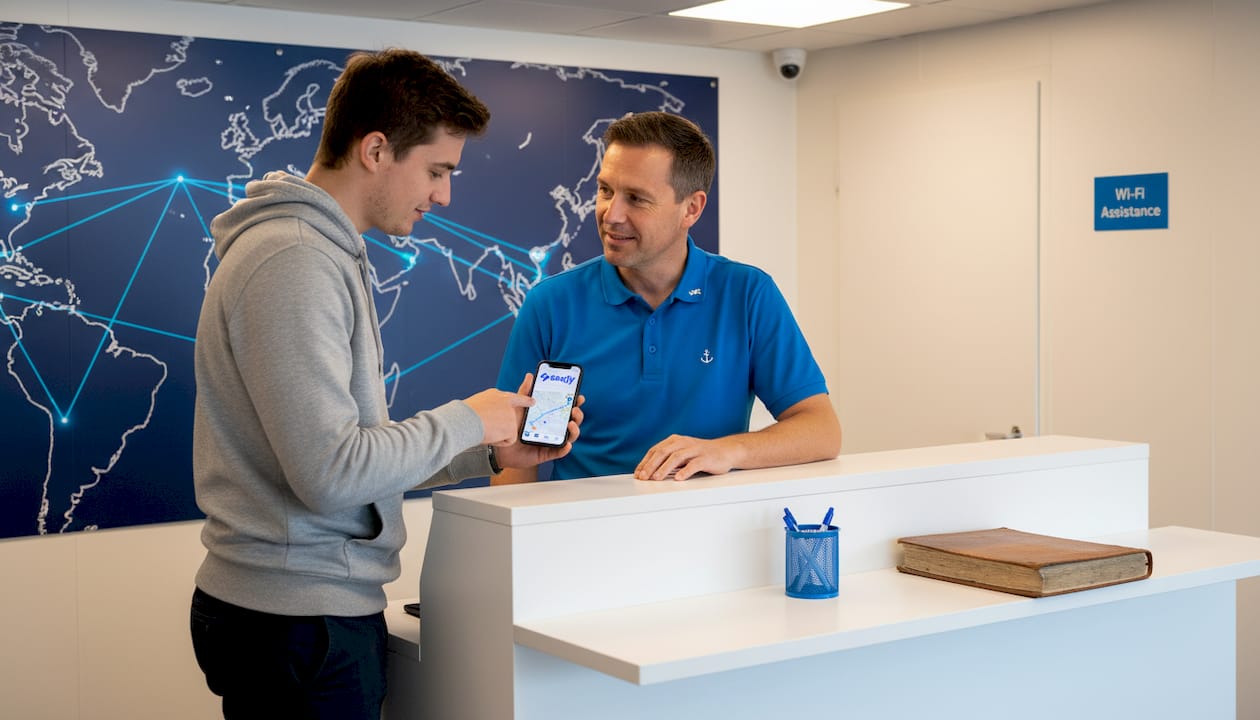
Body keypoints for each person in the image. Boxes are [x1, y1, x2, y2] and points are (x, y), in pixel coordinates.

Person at [188, 48, 581, 720]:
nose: (444, 195)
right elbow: (332, 473)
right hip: (300, 623)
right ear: (375, 150)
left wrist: (487, 452)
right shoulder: (294, 260)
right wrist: (469, 418)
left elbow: (352, 455)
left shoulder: (320, 253)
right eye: (436, 170)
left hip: (301, 615)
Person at [495, 111, 838, 484]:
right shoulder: (552, 304)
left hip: (706, 528)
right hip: (582, 530)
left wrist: (727, 450)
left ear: (691, 208)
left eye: (637, 199)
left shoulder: (747, 294)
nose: (612, 214)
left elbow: (821, 429)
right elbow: (515, 456)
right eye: (605, 190)